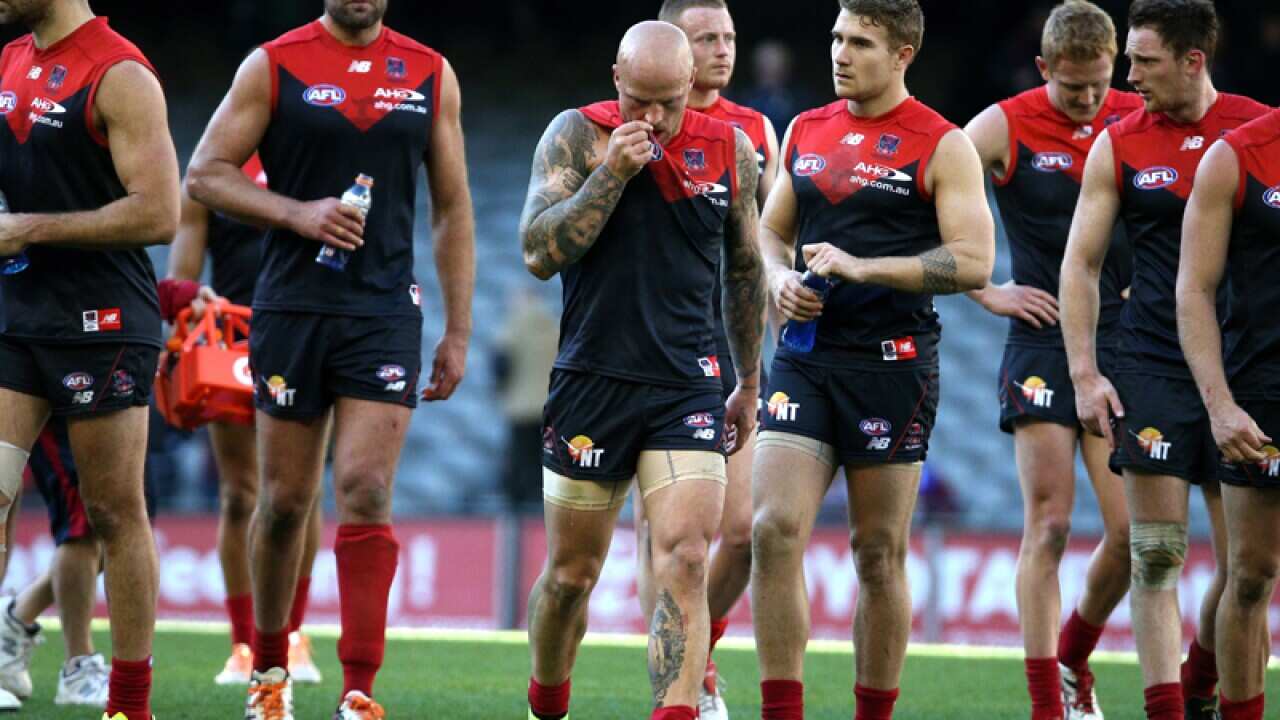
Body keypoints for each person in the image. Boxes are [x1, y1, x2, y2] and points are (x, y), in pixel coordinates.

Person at [184, 0, 476, 716]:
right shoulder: (274, 64)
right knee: (282, 503)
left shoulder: (431, 72)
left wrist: (458, 330)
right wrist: (299, 213)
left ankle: (359, 692)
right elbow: (204, 174)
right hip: (289, 310)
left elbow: (452, 207)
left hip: (383, 313)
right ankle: (270, 676)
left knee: (367, 489)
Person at [749, 1, 994, 718]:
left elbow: (975, 263)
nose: (840, 53)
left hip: (893, 367)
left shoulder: (943, 144)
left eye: (859, 41)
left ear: (903, 52)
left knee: (877, 553)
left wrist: (864, 268)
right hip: (806, 359)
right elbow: (770, 233)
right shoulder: (808, 128)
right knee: (771, 529)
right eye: (835, 37)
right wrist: (776, 278)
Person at [518, 20, 766, 720]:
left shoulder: (730, 149)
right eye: (639, 103)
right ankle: (548, 699)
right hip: (592, 380)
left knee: (686, 559)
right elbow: (539, 252)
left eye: (669, 104)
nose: (653, 120)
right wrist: (612, 174)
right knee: (572, 577)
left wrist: (748, 380)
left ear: (692, 86)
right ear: (616, 79)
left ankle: (677, 711)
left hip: (688, 383)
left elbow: (745, 271)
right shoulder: (576, 135)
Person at [1059, 2, 1269, 718]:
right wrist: (1085, 373)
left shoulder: (1254, 129)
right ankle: (1166, 710)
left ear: (1192, 60)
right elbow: (1081, 264)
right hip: (1149, 358)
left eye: (1144, 61)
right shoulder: (1118, 143)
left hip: (1241, 365)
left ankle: (1204, 677)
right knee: (1155, 551)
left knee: (1248, 568)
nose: (1130, 76)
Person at [0, 0, 182, 717]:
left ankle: (127, 702)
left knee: (112, 513)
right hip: (17, 318)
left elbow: (159, 210)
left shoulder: (120, 72)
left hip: (103, 324)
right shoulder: (10, 62)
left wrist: (30, 230)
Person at [962, 2, 1142, 717]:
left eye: (1101, 85)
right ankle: (1046, 703)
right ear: (1044, 70)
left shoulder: (1137, 116)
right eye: (1073, 89)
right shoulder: (1004, 123)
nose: (1090, 101)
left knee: (1133, 536)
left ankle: (1073, 658)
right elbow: (925, 185)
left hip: (1122, 340)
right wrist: (983, 290)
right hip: (1039, 338)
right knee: (1051, 525)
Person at [628, 2, 780, 718]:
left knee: (745, 529)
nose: (721, 50)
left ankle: (702, 652)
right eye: (705, 39)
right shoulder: (634, 128)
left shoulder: (754, 133)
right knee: (663, 534)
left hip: (732, 343)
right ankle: (681, 682)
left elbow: (766, 245)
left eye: (728, 38)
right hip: (654, 343)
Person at [167, 153, 325, 686]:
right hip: (232, 339)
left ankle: (293, 637)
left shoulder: (315, 153)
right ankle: (242, 644)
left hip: (304, 333)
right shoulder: (212, 169)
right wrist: (188, 302)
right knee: (239, 494)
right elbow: (182, 277)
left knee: (299, 495)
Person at [1176, 106, 1280, 720]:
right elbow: (1194, 287)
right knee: (1251, 573)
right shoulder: (1238, 155)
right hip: (1261, 391)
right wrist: (1219, 405)